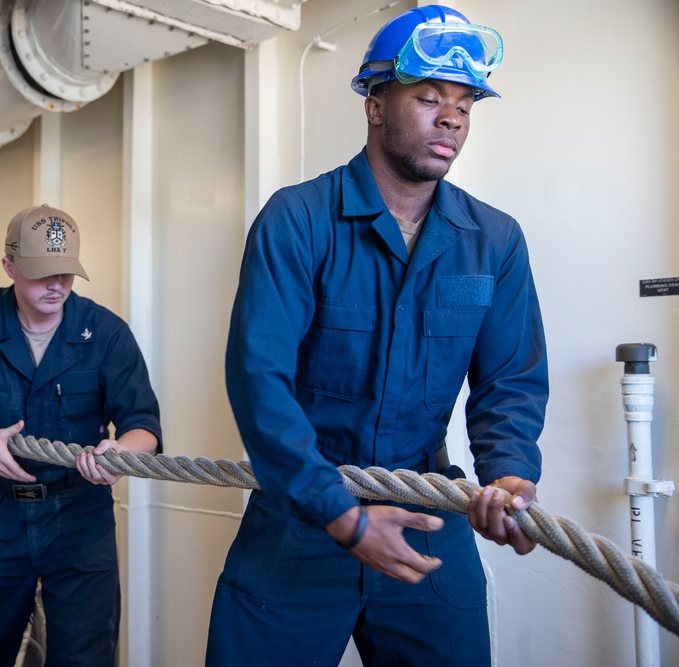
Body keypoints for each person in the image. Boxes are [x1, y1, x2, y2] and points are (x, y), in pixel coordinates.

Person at [206, 6, 548, 666]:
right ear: (376, 103)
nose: (452, 117)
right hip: (301, 518)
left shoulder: (495, 241)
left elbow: (510, 382)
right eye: (428, 97)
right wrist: (341, 515)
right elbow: (259, 379)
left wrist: (509, 478)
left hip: (427, 513)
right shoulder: (298, 220)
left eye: (465, 104)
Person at [0, 204, 163, 667]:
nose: (56, 285)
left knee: (85, 657)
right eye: (41, 273)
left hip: (80, 515)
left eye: (66, 272)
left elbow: (145, 427)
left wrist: (120, 451)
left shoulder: (106, 333)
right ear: (9, 266)